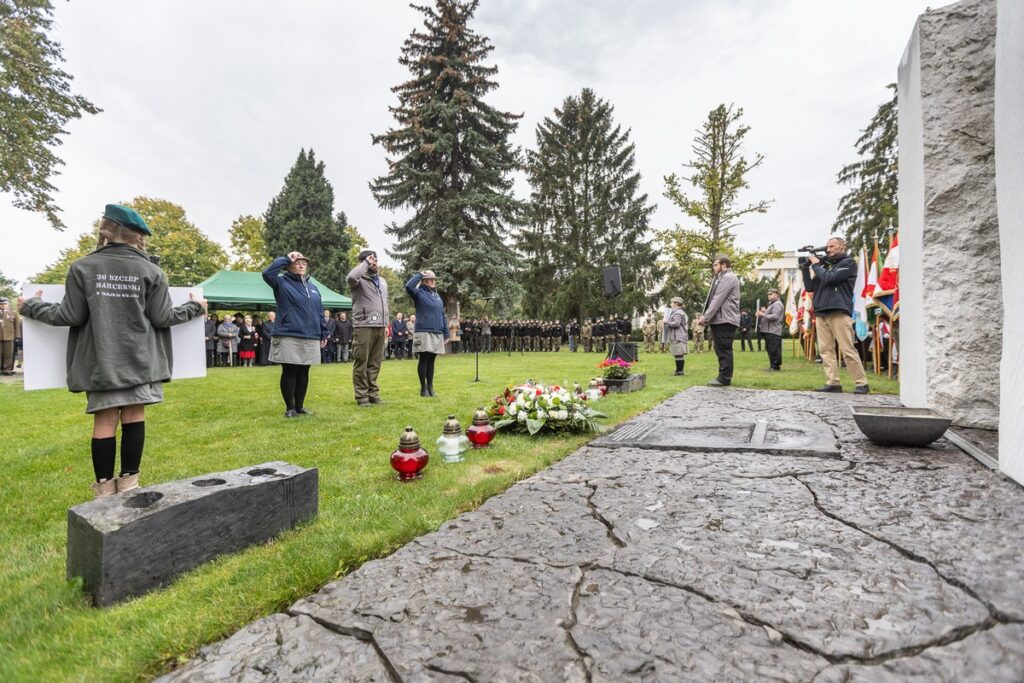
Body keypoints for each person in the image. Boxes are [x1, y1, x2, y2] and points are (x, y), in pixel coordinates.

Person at [18, 204, 204, 497]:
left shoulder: (82, 267)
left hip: (101, 359)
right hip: (141, 359)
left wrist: (31, 305)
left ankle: (104, 491)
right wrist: (196, 306)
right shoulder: (151, 270)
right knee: (134, 416)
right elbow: (163, 317)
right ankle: (130, 485)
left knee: (104, 421)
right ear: (138, 236)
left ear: (105, 230)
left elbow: (69, 315)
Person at [262, 252, 330, 417]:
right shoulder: (281, 282)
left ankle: (300, 407)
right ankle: (290, 408)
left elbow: (319, 312)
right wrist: (286, 258)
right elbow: (266, 273)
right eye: (297, 262)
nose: (301, 265)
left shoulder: (313, 288)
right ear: (289, 265)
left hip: (311, 335)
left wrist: (323, 333)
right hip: (289, 333)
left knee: (304, 371)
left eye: (304, 263)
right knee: (290, 370)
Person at [801, 237, 870, 394]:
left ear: (842, 247)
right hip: (821, 311)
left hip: (838, 310)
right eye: (827, 246)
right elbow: (810, 287)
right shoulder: (824, 266)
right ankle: (833, 382)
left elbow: (831, 278)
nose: (829, 249)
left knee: (847, 349)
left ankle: (861, 383)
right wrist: (805, 269)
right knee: (825, 350)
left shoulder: (848, 263)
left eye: (832, 246)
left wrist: (817, 265)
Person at [346, 249, 389, 407]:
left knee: (375, 362)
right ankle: (362, 396)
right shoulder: (358, 280)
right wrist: (365, 263)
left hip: (380, 325)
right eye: (370, 260)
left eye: (375, 259)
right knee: (361, 361)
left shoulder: (382, 281)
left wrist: (386, 323)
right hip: (363, 325)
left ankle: (373, 394)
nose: (374, 262)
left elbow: (385, 304)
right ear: (363, 263)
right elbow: (350, 277)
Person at [697, 255, 740, 387]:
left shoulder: (728, 278)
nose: (713, 267)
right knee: (720, 348)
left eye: (716, 264)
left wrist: (706, 317)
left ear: (724, 265)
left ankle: (724, 378)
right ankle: (723, 376)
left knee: (724, 348)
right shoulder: (720, 278)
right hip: (720, 319)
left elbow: (718, 299)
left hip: (725, 319)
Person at [406, 270, 448, 397]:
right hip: (423, 331)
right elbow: (408, 286)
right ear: (424, 281)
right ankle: (423, 388)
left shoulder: (437, 296)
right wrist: (420, 274)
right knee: (424, 359)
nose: (433, 281)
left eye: (434, 279)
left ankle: (430, 387)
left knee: (432, 360)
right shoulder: (419, 292)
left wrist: (445, 332)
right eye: (430, 279)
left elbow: (442, 314)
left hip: (437, 331)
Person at [757, 289, 785, 372]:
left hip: (774, 330)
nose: (769, 295)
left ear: (777, 295)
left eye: (771, 294)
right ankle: (773, 366)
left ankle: (775, 366)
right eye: (768, 294)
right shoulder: (773, 304)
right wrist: (761, 315)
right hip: (770, 330)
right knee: (770, 349)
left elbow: (775, 316)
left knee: (774, 349)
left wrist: (763, 314)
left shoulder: (777, 304)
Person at [665, 297, 689, 376]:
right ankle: (678, 371)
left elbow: (676, 323)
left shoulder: (678, 313)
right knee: (678, 354)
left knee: (679, 354)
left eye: (672, 303)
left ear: (676, 304)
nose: (670, 304)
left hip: (678, 336)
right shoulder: (678, 312)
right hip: (678, 335)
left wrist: (667, 323)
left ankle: (680, 371)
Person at [0, 297, 21, 376]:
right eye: (1, 304)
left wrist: (17, 337)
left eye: (4, 304)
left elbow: (17, 326)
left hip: (10, 336)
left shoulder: (13, 313)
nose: (2, 306)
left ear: (8, 304)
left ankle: (7, 370)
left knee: (9, 354)